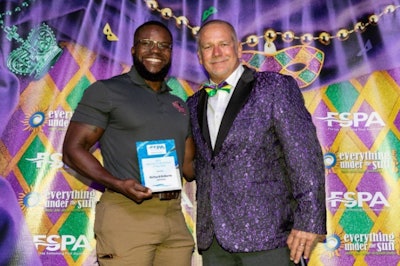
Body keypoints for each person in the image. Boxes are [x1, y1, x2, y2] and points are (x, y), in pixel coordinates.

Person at [187, 19, 326, 266]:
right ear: (199, 57)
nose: (216, 53)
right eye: (208, 47)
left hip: (269, 238)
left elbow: (304, 155)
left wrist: (309, 220)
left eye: (223, 44)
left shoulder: (274, 87)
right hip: (215, 243)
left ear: (239, 49)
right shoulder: (193, 103)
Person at [62, 21, 195, 266]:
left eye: (163, 45)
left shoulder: (179, 104)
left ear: (171, 53)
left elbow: (189, 167)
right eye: (147, 43)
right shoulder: (106, 91)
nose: (155, 50)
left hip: (173, 217)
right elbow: (72, 151)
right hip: (126, 212)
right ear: (133, 49)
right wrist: (118, 184)